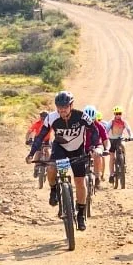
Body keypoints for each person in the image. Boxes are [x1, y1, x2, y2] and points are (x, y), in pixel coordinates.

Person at [26, 91, 90, 232]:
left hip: (78, 150)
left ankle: (80, 214)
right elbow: (40, 136)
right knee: (51, 168)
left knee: (80, 181)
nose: (62, 110)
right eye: (59, 107)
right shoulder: (51, 118)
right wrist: (31, 153)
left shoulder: (82, 116)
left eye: (65, 107)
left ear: (71, 105)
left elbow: (94, 131)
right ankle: (54, 189)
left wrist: (94, 147)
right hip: (60, 148)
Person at [82, 105, 109, 193]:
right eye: (87, 120)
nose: (90, 122)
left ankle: (97, 176)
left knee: (97, 154)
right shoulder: (80, 126)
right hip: (83, 147)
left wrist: (107, 149)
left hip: (97, 145)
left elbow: (105, 139)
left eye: (92, 120)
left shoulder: (99, 125)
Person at [107, 107, 133, 183]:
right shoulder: (111, 122)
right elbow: (106, 130)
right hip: (111, 140)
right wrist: (105, 137)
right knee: (112, 157)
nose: (118, 115)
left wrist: (131, 136)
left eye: (120, 113)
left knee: (123, 146)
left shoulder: (124, 122)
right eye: (116, 114)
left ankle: (123, 162)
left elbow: (129, 129)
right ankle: (111, 174)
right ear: (114, 114)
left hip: (119, 139)